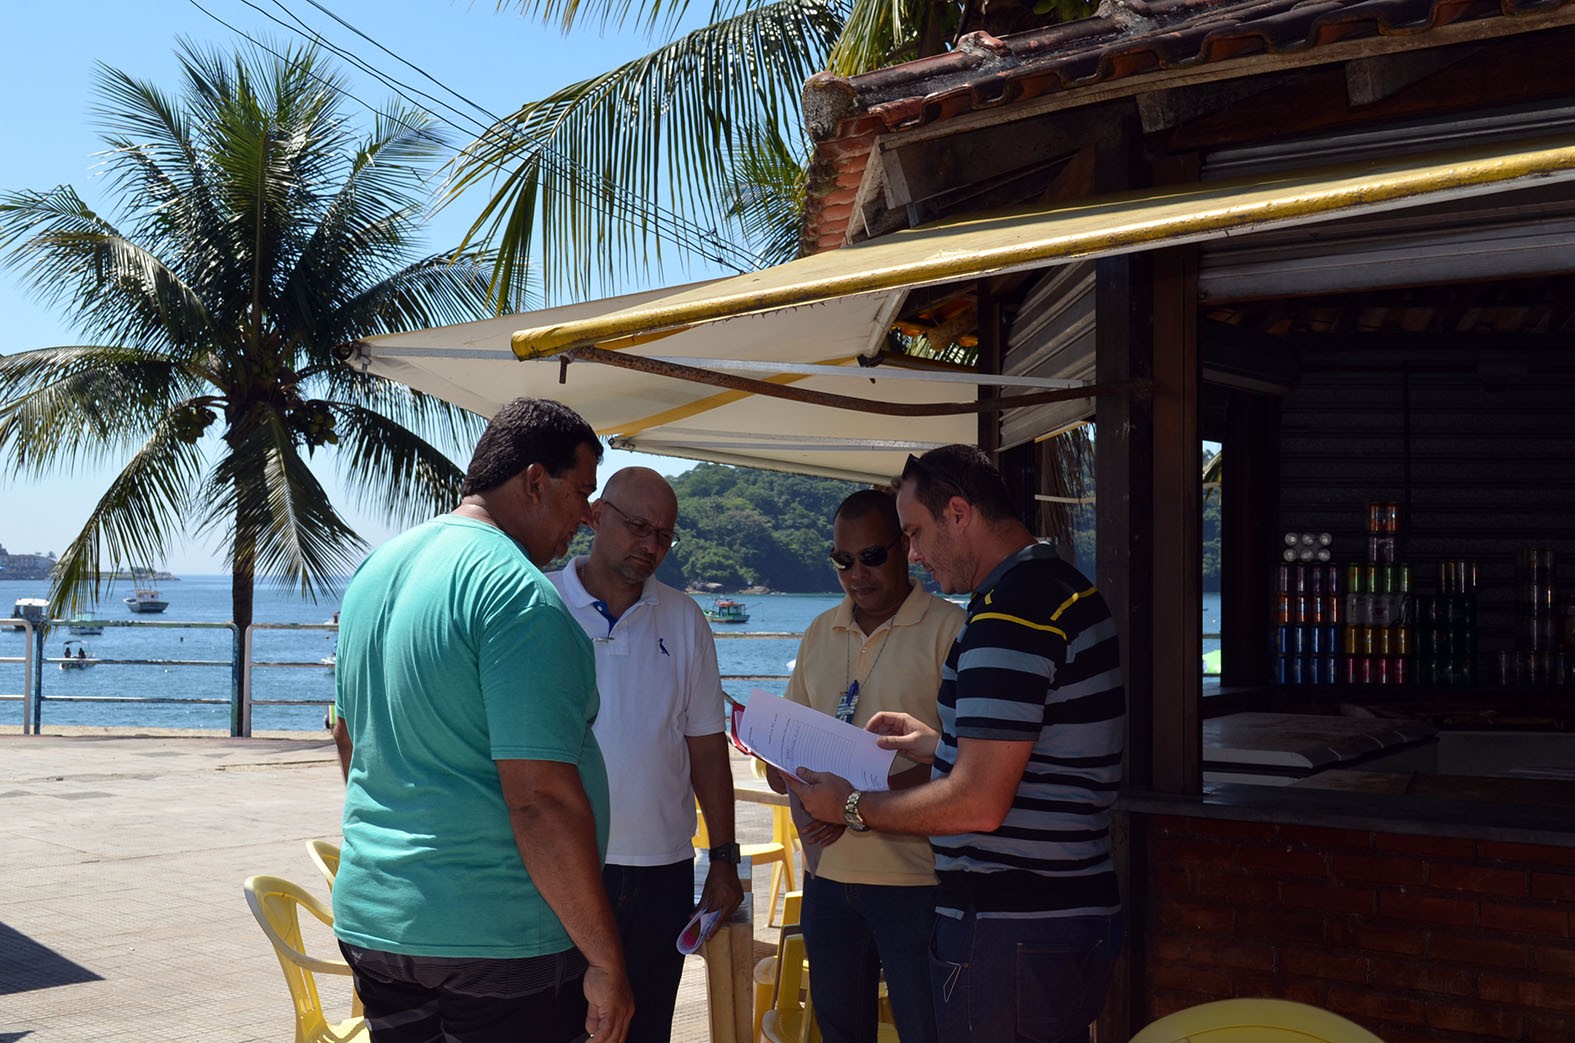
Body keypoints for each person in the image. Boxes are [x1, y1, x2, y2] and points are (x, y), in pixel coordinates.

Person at [786, 445, 1126, 1043]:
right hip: (1057, 913)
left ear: (960, 514)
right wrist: (935, 747)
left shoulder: (1009, 612)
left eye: (914, 532)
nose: (913, 552)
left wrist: (849, 807)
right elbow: (1027, 756)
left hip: (1011, 926)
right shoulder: (1057, 589)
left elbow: (978, 803)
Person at [330, 397, 633, 1043]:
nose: (587, 514)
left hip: (378, 919)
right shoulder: (519, 595)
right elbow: (539, 799)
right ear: (532, 479)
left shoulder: (375, 572)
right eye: (580, 491)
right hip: (497, 938)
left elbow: (347, 736)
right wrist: (607, 959)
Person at [547, 467, 744, 1043]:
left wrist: (724, 859)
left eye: (664, 535)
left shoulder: (685, 618)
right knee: (563, 1028)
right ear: (595, 515)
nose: (651, 545)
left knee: (647, 1028)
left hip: (663, 872)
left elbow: (707, 748)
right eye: (638, 527)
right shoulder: (539, 604)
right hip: (564, 867)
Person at [764, 489, 962, 1043]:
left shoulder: (952, 630)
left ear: (905, 547)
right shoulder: (818, 631)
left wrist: (854, 804)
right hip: (828, 881)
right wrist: (789, 778)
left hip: (917, 880)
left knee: (928, 1031)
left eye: (872, 556)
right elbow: (788, 747)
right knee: (840, 1032)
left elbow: (964, 765)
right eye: (842, 561)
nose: (857, 573)